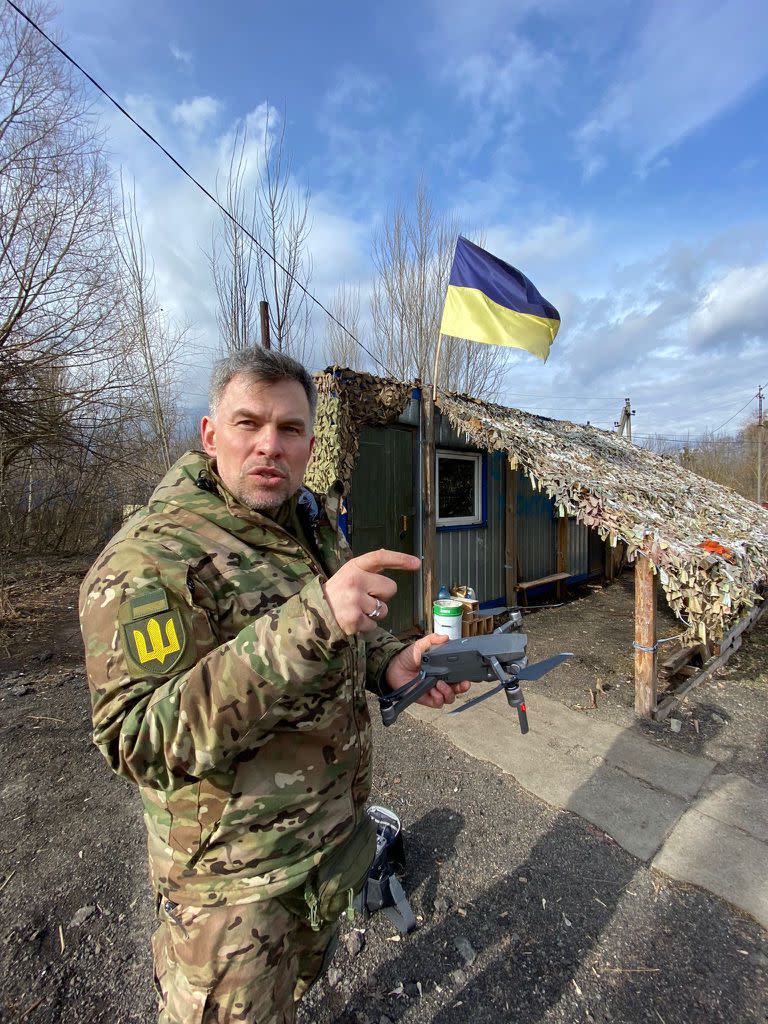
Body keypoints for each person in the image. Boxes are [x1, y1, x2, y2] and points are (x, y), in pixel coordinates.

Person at [79, 347, 470, 1024]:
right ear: (209, 435)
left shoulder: (309, 523)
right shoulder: (149, 560)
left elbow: (350, 635)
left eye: (289, 429)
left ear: (310, 444)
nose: (269, 445)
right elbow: (138, 738)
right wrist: (311, 621)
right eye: (247, 423)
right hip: (232, 896)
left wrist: (392, 663)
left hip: (321, 859)